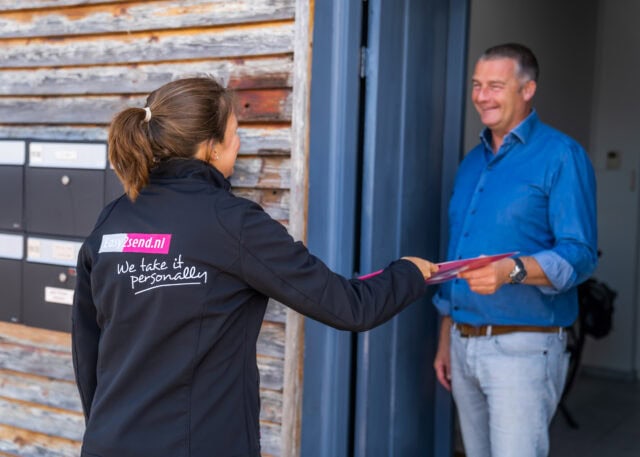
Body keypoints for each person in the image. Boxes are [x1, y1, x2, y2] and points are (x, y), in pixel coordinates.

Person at [71, 76, 438, 457]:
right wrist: (409, 273)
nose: (238, 143)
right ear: (211, 147)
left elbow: (86, 347)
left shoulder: (112, 221)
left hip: (109, 443)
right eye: (234, 133)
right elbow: (349, 307)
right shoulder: (233, 223)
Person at [432, 43, 598, 457]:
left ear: (527, 90)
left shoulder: (561, 156)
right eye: (476, 85)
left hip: (522, 350)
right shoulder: (472, 162)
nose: (481, 96)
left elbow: (580, 255)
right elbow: (459, 251)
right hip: (463, 343)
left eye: (495, 86)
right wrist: (447, 337)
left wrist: (512, 270)